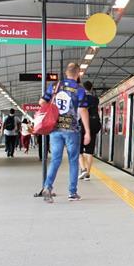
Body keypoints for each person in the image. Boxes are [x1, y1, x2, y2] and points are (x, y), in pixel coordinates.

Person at [39, 63, 91, 203]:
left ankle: (47, 187)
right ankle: (72, 193)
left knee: (55, 160)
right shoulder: (79, 89)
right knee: (73, 161)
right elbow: (83, 110)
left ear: (66, 73)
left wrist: (53, 111)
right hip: (72, 130)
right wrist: (87, 132)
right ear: (78, 73)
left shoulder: (55, 86)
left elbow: (42, 102)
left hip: (55, 129)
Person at [78, 81, 101, 181]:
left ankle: (83, 169)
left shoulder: (81, 98)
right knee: (89, 151)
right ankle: (88, 174)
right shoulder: (96, 99)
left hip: (82, 125)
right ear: (91, 88)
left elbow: (80, 112)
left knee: (79, 151)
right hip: (94, 125)